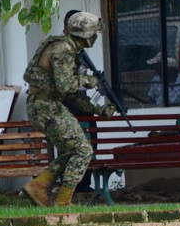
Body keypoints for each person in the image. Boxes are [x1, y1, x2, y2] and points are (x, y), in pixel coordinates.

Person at [21, 11, 116, 207]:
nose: (95, 38)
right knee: (83, 150)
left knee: (70, 151)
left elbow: (71, 95)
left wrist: (97, 109)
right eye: (93, 33)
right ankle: (63, 201)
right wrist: (88, 80)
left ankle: (38, 186)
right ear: (84, 34)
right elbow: (65, 86)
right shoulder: (63, 49)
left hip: (45, 105)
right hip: (46, 106)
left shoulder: (66, 48)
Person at [62, 9, 96, 194]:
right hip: (66, 103)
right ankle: (71, 185)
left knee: (91, 141)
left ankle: (84, 183)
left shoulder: (79, 49)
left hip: (81, 102)